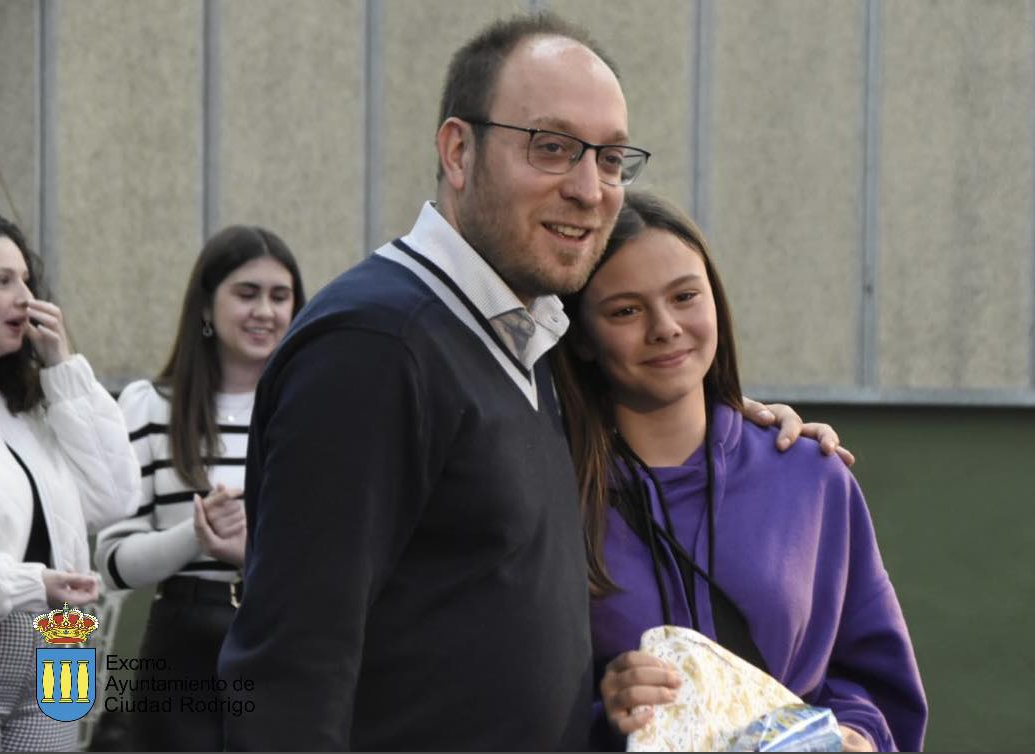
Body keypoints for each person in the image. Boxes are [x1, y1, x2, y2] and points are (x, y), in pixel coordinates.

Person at [217, 13, 845, 751]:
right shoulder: (377, 347)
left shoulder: (519, 340)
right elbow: (291, 666)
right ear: (458, 150)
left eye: (611, 159)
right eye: (551, 149)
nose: (590, 189)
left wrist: (738, 416)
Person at [551, 192, 928, 752]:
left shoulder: (809, 476)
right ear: (581, 336)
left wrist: (857, 735)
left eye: (685, 297)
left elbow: (875, 677)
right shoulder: (551, 493)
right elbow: (504, 694)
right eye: (626, 310)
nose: (665, 327)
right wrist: (605, 710)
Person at [93, 226, 304, 750]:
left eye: (280, 296)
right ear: (206, 308)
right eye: (247, 293)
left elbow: (341, 556)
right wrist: (196, 534)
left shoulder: (313, 411)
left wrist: (249, 555)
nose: (266, 311)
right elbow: (112, 562)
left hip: (285, 639)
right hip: (180, 645)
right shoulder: (148, 407)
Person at [0, 215, 141, 751]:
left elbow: (116, 496)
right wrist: (37, 584)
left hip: (67, 635)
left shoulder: (31, 402)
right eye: (0, 281)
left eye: (26, 279)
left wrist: (63, 367)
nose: (25, 297)